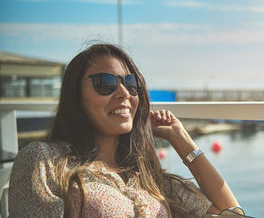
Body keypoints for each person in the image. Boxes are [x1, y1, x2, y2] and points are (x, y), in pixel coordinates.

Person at [8, 44, 243, 217]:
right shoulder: (44, 161)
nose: (124, 93)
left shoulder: (151, 180)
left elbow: (231, 212)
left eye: (131, 84)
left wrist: (181, 139)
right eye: (105, 83)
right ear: (75, 97)